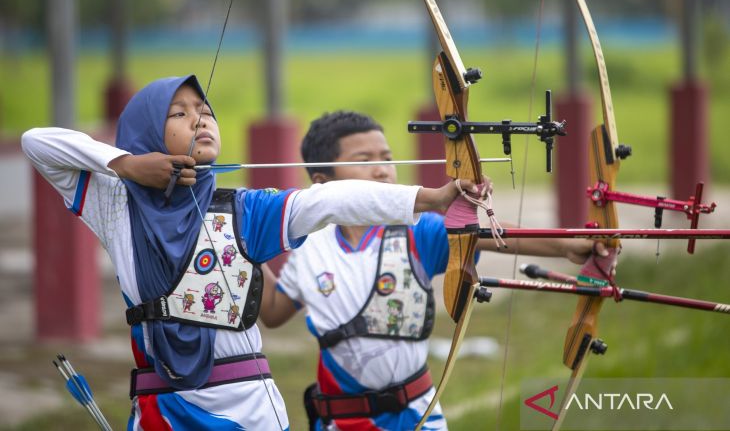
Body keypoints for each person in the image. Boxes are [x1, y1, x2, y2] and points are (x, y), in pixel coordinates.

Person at [21, 76, 478, 431]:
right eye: (179, 113)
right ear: (146, 134)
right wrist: (126, 164)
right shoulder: (117, 207)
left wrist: (430, 199)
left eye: (206, 112)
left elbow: (330, 199)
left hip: (248, 410)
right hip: (163, 410)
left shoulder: (248, 211)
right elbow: (36, 142)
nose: (199, 120)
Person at [259, 111, 604, 431]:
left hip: (416, 416)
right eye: (364, 161)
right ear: (323, 182)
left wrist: (566, 245)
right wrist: (243, 247)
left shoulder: (416, 232)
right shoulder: (309, 247)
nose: (382, 170)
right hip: (340, 419)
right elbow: (273, 311)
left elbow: (482, 233)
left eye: (387, 158)